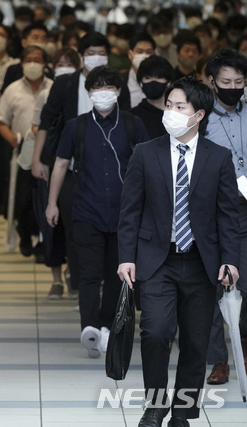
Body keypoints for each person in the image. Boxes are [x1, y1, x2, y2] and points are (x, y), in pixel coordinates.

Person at [118, 77, 240, 427]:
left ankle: (184, 412)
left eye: (179, 107)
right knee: (155, 332)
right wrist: (127, 257)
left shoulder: (219, 158)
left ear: (199, 114)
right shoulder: (146, 152)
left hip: (202, 263)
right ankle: (155, 407)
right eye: (168, 105)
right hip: (157, 260)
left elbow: (227, 215)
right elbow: (129, 211)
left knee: (195, 342)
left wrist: (230, 260)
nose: (170, 112)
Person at [46, 66, 148, 358]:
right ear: (89, 92)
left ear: (118, 92)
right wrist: (52, 203)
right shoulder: (75, 126)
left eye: (109, 87)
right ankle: (89, 327)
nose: (103, 92)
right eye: (97, 87)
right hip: (86, 211)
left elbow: (146, 167)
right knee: (88, 274)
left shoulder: (132, 125)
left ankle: (106, 326)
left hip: (124, 214)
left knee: (117, 274)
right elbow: (61, 165)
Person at [32, 32, 131, 300]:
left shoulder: (117, 86)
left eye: (101, 51)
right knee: (76, 227)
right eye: (91, 52)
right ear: (81, 54)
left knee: (108, 230)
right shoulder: (65, 83)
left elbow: (127, 123)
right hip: (71, 166)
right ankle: (82, 285)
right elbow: (46, 121)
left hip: (111, 171)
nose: (96, 56)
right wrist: (38, 159)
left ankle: (103, 285)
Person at [203, 48, 247, 386]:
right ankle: (219, 359)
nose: (234, 87)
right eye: (227, 81)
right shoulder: (202, 118)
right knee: (213, 288)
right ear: (212, 82)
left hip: (246, 213)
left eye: (240, 81)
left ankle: (243, 352)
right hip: (213, 213)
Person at [0, 46, 52, 259]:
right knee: (23, 198)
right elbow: (1, 120)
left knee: (44, 197)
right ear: (22, 62)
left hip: (47, 152)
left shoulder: (53, 88)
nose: (33, 63)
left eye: (38, 59)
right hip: (21, 152)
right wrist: (11, 138)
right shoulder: (13, 90)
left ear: (45, 64)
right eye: (29, 59)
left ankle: (42, 239)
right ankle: (25, 234)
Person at [130, 55, 175, 139]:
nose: (153, 82)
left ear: (169, 82)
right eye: (148, 78)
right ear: (140, 82)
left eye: (159, 77)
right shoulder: (132, 117)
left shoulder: (179, 114)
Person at [126, 33, 156, 108]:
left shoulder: (160, 82)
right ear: (130, 54)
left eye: (149, 52)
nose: (144, 56)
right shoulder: (121, 81)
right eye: (139, 52)